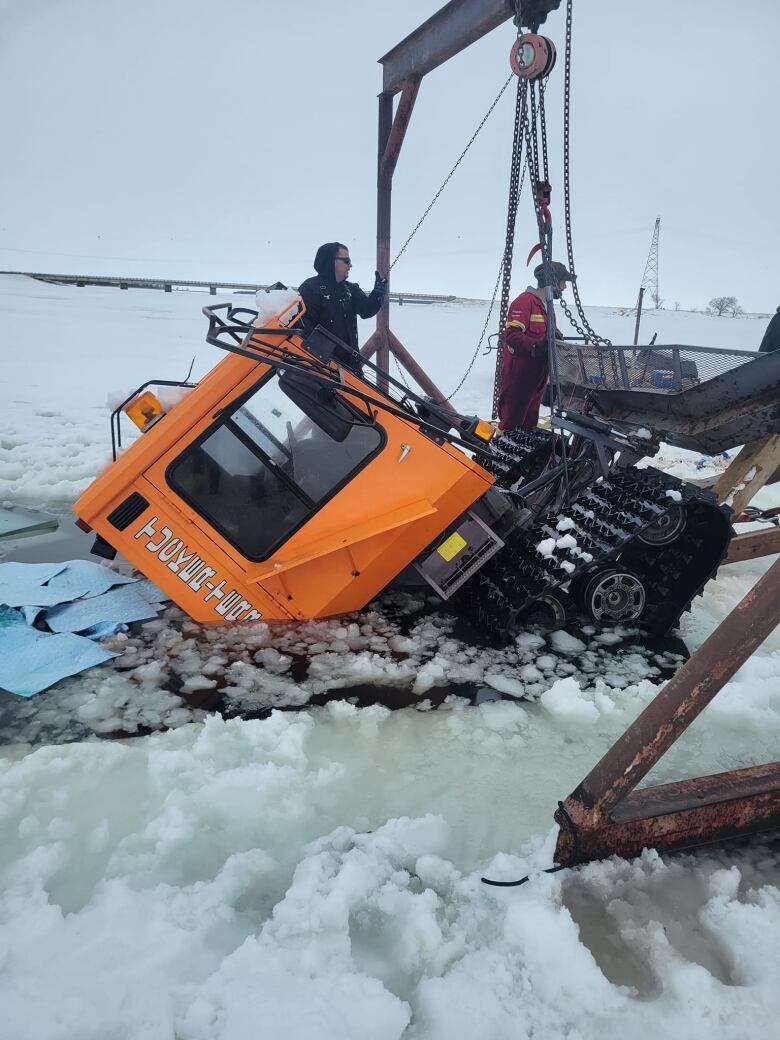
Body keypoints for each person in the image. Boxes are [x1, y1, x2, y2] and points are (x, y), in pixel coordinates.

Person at [497, 260, 573, 430]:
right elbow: (511, 335)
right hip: (520, 376)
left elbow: (546, 334)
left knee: (529, 423)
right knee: (512, 423)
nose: (565, 287)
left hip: (538, 376)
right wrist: (536, 346)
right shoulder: (524, 302)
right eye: (563, 282)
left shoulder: (547, 307)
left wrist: (556, 338)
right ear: (552, 282)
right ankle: (501, 450)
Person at [297, 242, 387, 349]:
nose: (350, 266)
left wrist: (377, 293)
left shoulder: (350, 289)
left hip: (350, 363)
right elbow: (304, 330)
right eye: (346, 261)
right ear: (330, 261)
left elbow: (365, 310)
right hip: (320, 363)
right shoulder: (310, 289)